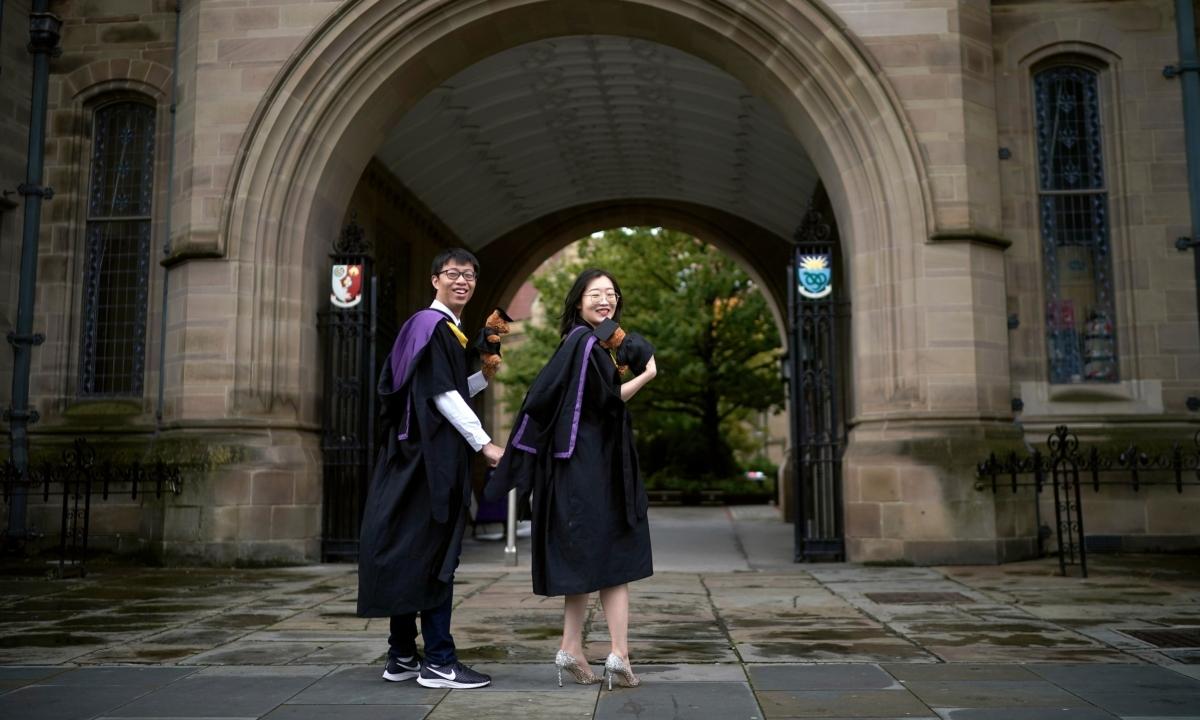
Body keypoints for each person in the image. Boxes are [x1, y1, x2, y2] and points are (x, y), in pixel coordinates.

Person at [486, 268, 657, 690]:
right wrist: (648, 374)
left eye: (612, 294)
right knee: (616, 558)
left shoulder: (574, 344)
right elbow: (610, 400)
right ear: (578, 302)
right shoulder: (588, 345)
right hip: (595, 471)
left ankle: (571, 648)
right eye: (595, 294)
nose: (606, 300)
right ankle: (619, 653)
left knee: (582, 562)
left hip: (573, 471)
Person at [357, 248, 505, 690]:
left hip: (409, 462)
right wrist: (485, 444)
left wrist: (483, 374)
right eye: (454, 273)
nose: (463, 281)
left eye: (471, 276)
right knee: (436, 557)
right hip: (428, 465)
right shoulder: (433, 326)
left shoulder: (441, 331)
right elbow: (442, 396)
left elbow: (443, 390)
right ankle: (439, 660)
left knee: (408, 553)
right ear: (434, 279)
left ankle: (402, 654)